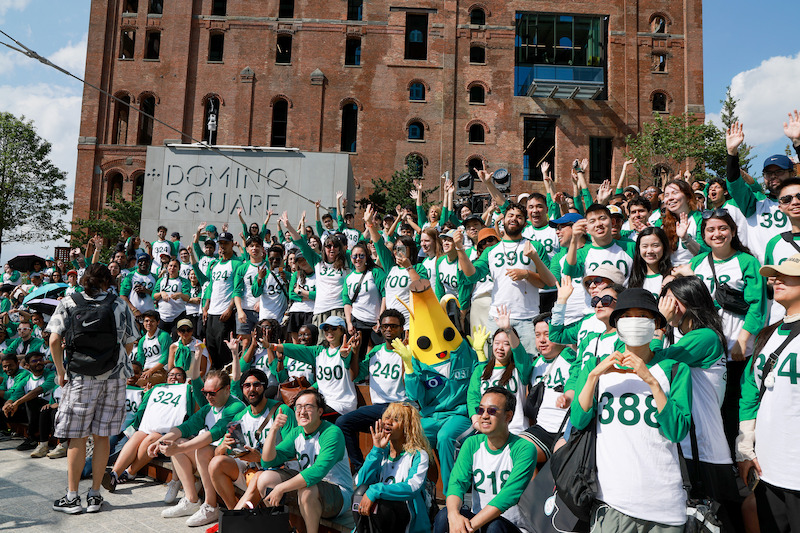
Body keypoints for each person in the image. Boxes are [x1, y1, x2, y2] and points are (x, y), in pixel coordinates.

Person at [571, 288, 692, 531]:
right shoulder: (597, 367)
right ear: (616, 325)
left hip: (665, 504)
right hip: (613, 501)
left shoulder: (675, 368)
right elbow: (579, 419)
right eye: (627, 316)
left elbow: (677, 430)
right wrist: (594, 375)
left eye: (642, 316)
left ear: (658, 323)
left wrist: (651, 381)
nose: (634, 322)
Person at [47, 262, 140, 514]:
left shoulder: (69, 301)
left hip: (80, 377)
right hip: (115, 377)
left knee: (77, 436)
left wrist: (60, 372)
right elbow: (130, 341)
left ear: (84, 280)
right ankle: (95, 495)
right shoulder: (119, 303)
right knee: (102, 436)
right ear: (108, 282)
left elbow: (54, 339)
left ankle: (72, 497)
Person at [658, 276, 744, 532]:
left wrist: (659, 324)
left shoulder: (704, 337)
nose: (666, 307)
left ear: (689, 302)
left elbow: (654, 362)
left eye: (671, 301)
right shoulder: (689, 337)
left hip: (704, 452)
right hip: (695, 448)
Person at [738, 253, 800, 532]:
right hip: (769, 469)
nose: (776, 279)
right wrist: (745, 449)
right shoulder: (766, 334)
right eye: (775, 274)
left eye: (786, 274)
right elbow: (749, 394)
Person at [244, 389, 355, 533]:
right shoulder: (297, 433)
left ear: (320, 411)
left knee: (307, 489)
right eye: (298, 407)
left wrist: (281, 488)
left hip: (338, 494)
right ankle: (283, 528)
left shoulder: (332, 433)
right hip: (308, 489)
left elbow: (318, 471)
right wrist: (274, 429)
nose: (302, 411)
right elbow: (267, 462)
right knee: (265, 479)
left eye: (308, 407)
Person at [153, 363, 246, 527]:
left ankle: (211, 506)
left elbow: (215, 433)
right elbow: (186, 427)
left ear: (227, 389)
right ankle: (191, 500)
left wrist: (178, 448)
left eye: (212, 393)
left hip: (236, 460)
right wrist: (161, 441)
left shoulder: (235, 406)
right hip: (215, 458)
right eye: (205, 392)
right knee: (177, 440)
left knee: (200, 448)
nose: (208, 396)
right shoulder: (209, 407)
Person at [457, 200, 554, 354]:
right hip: (497, 318)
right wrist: (460, 250)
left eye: (519, 216)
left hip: (528, 318)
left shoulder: (535, 246)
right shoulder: (491, 251)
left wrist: (527, 274)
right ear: (503, 220)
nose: (514, 219)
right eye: (510, 215)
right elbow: (472, 276)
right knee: (496, 366)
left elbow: (548, 283)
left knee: (528, 367)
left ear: (525, 222)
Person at [436, 386, 537, 533]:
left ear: (508, 416)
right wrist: (453, 516)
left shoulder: (524, 448)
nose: (484, 416)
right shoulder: (472, 443)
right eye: (480, 410)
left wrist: (466, 529)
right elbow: (456, 484)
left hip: (512, 526)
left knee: (494, 527)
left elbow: (506, 498)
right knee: (443, 516)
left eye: (492, 411)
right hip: (478, 523)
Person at [674, 209, 767, 361]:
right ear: (703, 235)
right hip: (706, 346)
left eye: (722, 228)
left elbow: (757, 306)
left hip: (737, 347)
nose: (717, 234)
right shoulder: (697, 262)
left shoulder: (748, 262)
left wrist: (743, 340)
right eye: (710, 230)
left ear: (733, 231)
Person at [208, 368, 296, 509]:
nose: (252, 389)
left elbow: (292, 451)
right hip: (251, 470)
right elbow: (222, 453)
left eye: (257, 385)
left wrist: (261, 458)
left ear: (264, 387)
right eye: (247, 386)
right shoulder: (239, 417)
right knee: (216, 463)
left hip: (278, 472)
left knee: (259, 476)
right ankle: (232, 510)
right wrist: (222, 447)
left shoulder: (282, 411)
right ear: (242, 389)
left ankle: (235, 519)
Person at [102, 366, 192, 496]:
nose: (174, 377)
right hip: (151, 429)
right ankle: (114, 474)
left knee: (150, 439)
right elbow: (144, 408)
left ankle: (130, 473)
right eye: (171, 374)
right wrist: (148, 393)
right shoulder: (157, 389)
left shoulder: (188, 391)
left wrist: (189, 389)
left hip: (169, 435)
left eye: (178, 375)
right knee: (138, 435)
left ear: (184, 379)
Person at [337, 309, 407, 471]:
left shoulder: (408, 350)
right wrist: (355, 352)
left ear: (402, 328)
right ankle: (360, 468)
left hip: (400, 406)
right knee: (343, 423)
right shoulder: (376, 351)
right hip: (378, 408)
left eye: (393, 326)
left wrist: (406, 356)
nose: (388, 329)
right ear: (380, 328)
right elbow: (355, 375)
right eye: (385, 326)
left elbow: (410, 383)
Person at [726, 115, 800, 263]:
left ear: (792, 173)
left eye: (779, 172)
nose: (773, 176)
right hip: (766, 276)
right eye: (768, 173)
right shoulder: (754, 205)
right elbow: (735, 184)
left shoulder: (797, 201)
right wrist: (732, 154)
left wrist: (797, 143)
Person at [353, 402, 433, 533]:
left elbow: (412, 488)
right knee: (360, 492)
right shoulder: (381, 453)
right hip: (379, 518)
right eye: (387, 418)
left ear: (407, 427)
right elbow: (361, 482)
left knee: (383, 503)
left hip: (405, 518)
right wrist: (376, 450)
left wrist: (376, 490)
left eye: (395, 420)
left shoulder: (418, 455)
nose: (388, 422)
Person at [270, 316, 360, 419]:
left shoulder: (348, 350)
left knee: (307, 415)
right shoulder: (319, 351)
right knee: (294, 410)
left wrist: (345, 355)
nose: (329, 331)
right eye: (326, 328)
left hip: (342, 404)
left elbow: (347, 360)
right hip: (322, 402)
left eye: (334, 328)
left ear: (342, 331)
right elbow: (297, 349)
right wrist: (272, 346)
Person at [467, 305, 532, 435]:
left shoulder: (519, 369)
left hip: (514, 430)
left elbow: (520, 355)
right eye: (497, 343)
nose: (500, 348)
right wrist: (476, 422)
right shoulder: (481, 370)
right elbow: (473, 398)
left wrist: (508, 330)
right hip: (486, 430)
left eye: (506, 344)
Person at [281, 211, 350, 326]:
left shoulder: (346, 261)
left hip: (339, 308)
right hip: (320, 310)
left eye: (335, 246)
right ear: (324, 248)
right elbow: (302, 243)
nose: (332, 249)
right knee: (320, 342)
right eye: (328, 246)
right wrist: (289, 227)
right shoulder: (317, 261)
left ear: (340, 248)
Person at [192, 231, 240, 369]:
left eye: (226, 243)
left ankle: (226, 379)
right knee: (210, 348)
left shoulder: (237, 264)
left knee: (223, 351)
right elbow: (210, 288)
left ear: (232, 244)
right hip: (211, 313)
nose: (223, 246)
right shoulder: (215, 265)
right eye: (221, 243)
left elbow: (237, 289)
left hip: (224, 313)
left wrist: (230, 308)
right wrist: (205, 307)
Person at [2, 351, 56, 455]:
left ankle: (33, 438)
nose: (39, 362)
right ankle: (6, 431)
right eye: (34, 361)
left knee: (31, 400)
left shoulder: (50, 375)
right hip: (34, 412)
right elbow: (15, 395)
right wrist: (8, 404)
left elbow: (38, 391)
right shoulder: (26, 379)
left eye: (40, 360)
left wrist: (17, 403)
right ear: (27, 365)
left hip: (50, 409)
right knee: (5, 410)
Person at [763, 177, 800, 323]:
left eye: (799, 196)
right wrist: (771, 283)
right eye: (787, 199)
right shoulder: (774, 244)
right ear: (780, 207)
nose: (795, 202)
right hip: (783, 322)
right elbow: (769, 286)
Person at [628, 227, 673, 298]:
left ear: (664, 247)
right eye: (645, 246)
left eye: (655, 246)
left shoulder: (672, 277)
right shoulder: (633, 278)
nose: (649, 251)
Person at [153, 258, 191, 336]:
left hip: (178, 315)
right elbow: (154, 296)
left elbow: (187, 298)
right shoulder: (161, 281)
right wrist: (161, 293)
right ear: (167, 267)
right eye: (170, 266)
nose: (172, 268)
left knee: (177, 339)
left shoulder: (183, 281)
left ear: (179, 269)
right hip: (162, 316)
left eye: (175, 266)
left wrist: (180, 295)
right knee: (162, 339)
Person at [135, 310, 171, 384]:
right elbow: (140, 359)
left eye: (152, 321)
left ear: (158, 322)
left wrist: (151, 371)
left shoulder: (163, 336)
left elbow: (166, 358)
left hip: (160, 370)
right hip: (145, 370)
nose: (149, 323)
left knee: (142, 382)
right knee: (129, 381)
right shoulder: (142, 340)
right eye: (146, 321)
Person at [119, 252, 157, 319]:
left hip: (150, 314)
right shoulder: (130, 276)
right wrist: (134, 310)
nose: (143, 263)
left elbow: (158, 295)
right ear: (137, 262)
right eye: (140, 261)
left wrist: (146, 291)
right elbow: (123, 295)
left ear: (149, 262)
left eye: (146, 261)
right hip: (134, 314)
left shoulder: (155, 277)